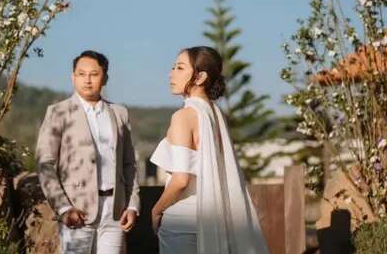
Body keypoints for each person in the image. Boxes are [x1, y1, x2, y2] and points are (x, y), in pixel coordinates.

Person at [150, 46, 269, 254]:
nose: (171, 73)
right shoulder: (215, 114)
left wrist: (156, 210)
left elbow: (181, 180)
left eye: (179, 68)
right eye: (173, 67)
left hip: (181, 223)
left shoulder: (183, 117)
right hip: (214, 218)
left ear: (200, 76)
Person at [36, 50, 140, 254]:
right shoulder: (58, 112)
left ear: (105, 78)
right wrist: (63, 208)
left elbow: (129, 164)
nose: (87, 80)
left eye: (94, 74)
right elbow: (45, 163)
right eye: (81, 74)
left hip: (115, 211)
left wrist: (133, 205)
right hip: (77, 209)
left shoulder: (119, 113)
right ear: (72, 77)